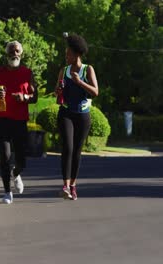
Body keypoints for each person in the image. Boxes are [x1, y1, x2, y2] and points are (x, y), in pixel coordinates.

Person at [0, 40, 38, 204]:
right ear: (6, 54)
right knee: (5, 156)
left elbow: (35, 97)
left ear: (21, 54)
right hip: (3, 119)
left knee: (21, 159)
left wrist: (25, 97)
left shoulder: (27, 73)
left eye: (17, 51)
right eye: (11, 51)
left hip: (20, 120)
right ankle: (7, 192)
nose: (14, 54)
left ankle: (17, 173)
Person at [55, 34, 99, 201]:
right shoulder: (63, 70)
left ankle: (73, 185)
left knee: (77, 152)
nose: (66, 57)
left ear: (76, 54)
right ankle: (65, 186)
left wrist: (79, 82)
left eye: (68, 54)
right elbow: (56, 92)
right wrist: (59, 90)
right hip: (66, 112)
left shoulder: (88, 69)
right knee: (67, 147)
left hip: (83, 115)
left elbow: (95, 92)